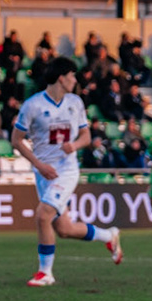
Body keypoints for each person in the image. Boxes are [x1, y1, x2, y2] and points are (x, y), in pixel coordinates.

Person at [10, 57, 123, 287]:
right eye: (72, 75)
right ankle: (108, 235)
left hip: (67, 170)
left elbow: (86, 137)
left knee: (43, 215)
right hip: (44, 172)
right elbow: (16, 140)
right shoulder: (33, 105)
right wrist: (39, 165)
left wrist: (75, 145)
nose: (75, 79)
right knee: (64, 229)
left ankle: (45, 273)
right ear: (61, 77)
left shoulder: (76, 102)